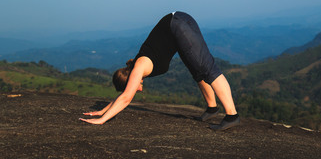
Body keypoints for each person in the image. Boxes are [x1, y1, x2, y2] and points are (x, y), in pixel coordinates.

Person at [80, 11, 240, 130]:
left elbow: (126, 97)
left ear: (131, 80)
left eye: (133, 87)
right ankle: (212, 108)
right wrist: (101, 110)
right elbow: (123, 95)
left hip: (178, 24)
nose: (138, 90)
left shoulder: (139, 67)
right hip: (178, 24)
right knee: (197, 70)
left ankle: (232, 115)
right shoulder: (135, 67)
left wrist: (102, 120)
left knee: (208, 69)